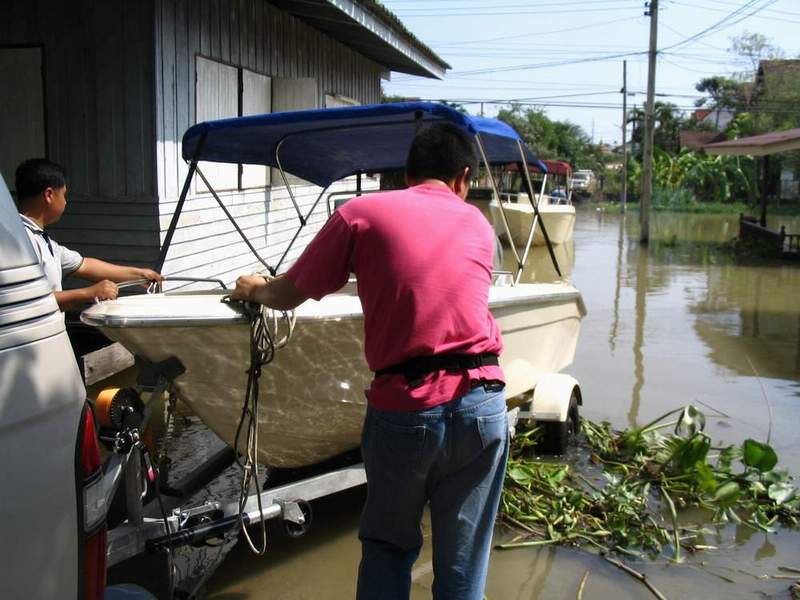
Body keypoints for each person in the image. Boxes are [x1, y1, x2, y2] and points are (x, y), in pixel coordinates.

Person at [232, 123, 509, 600]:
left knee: (388, 549)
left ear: (405, 173)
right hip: (483, 405)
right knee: (463, 569)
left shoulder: (361, 214)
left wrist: (253, 287)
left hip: (406, 409)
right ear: (464, 177)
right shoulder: (480, 225)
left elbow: (287, 294)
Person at [14, 158, 163, 310]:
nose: (65, 202)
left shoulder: (43, 240)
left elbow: (85, 265)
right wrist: (88, 293)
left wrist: (139, 275)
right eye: (64, 195)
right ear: (49, 195)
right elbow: (27, 300)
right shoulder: (20, 243)